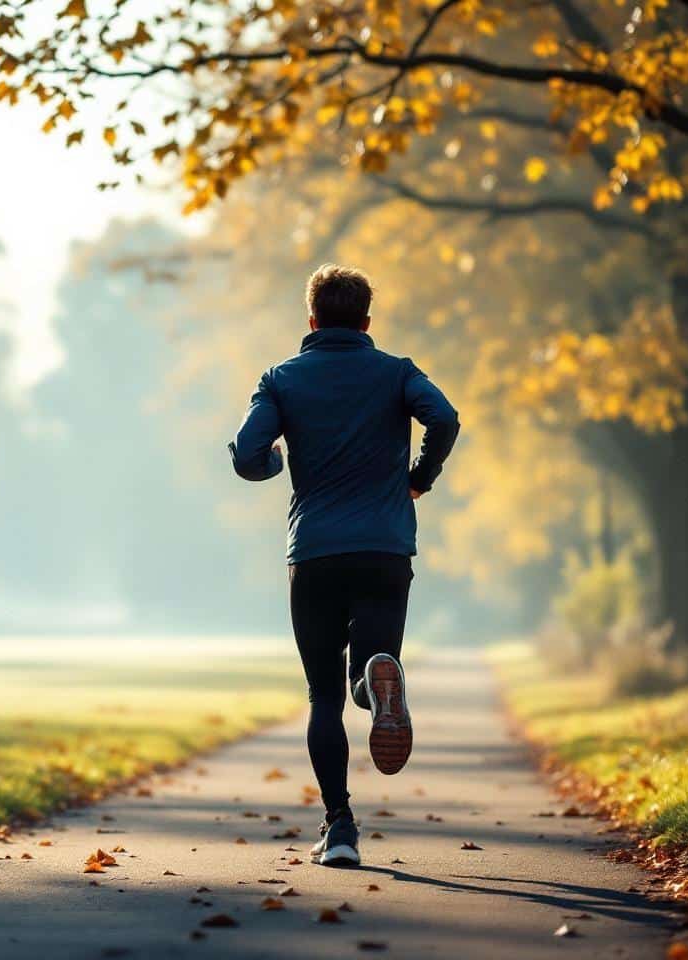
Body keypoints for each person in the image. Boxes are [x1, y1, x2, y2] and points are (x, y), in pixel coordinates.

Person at [227, 264, 460, 867]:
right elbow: (445, 417)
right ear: (366, 322)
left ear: (311, 321)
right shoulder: (397, 372)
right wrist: (419, 477)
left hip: (315, 552)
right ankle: (376, 679)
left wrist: (275, 463)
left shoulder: (281, 379)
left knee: (321, 694)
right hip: (385, 548)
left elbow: (248, 455)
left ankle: (340, 827)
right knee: (371, 665)